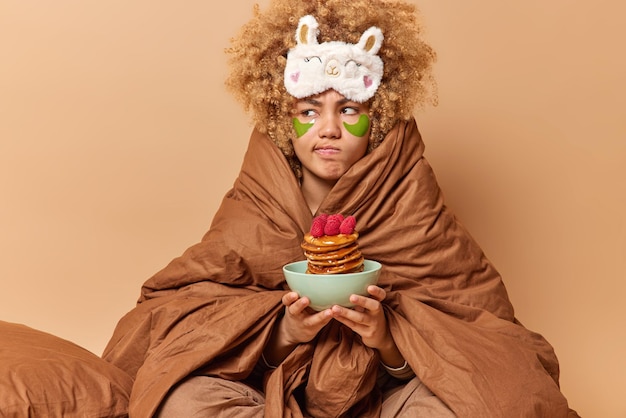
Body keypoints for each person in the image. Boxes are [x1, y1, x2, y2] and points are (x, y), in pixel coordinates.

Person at [103, 0, 580, 416]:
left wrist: (388, 338)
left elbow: (477, 328)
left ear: (378, 117)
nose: (328, 128)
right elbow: (190, 307)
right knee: (181, 399)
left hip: (390, 399)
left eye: (348, 109)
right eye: (309, 111)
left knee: (488, 400)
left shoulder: (408, 195)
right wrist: (283, 331)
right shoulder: (258, 198)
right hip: (272, 391)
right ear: (282, 119)